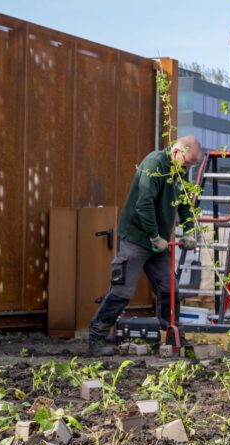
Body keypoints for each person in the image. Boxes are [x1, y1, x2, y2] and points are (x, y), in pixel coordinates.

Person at [88, 136, 201, 355]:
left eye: (192, 164)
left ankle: (173, 335)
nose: (188, 167)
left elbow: (185, 204)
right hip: (137, 237)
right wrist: (153, 235)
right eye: (187, 162)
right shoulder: (154, 164)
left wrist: (188, 231)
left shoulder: (181, 172)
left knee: (170, 289)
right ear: (177, 152)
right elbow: (144, 203)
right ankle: (97, 337)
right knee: (122, 290)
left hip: (159, 243)